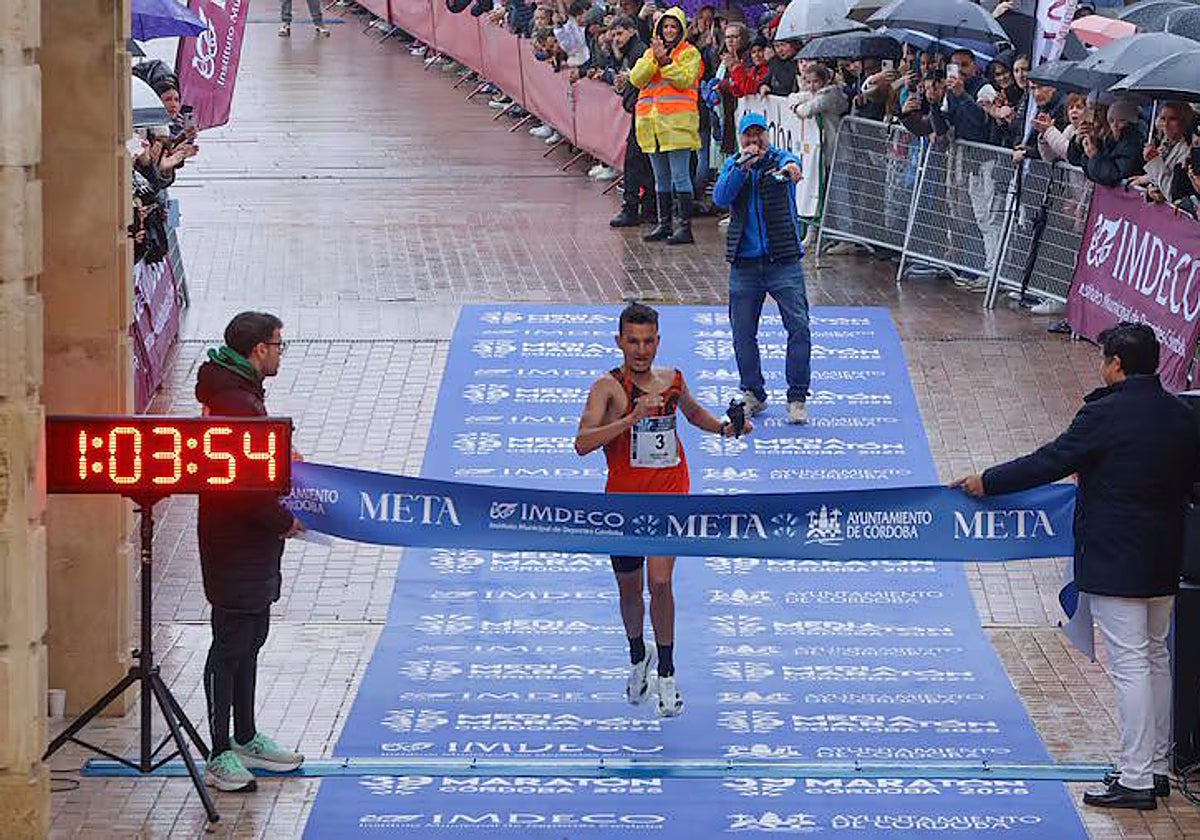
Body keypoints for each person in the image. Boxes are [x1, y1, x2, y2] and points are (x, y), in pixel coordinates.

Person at [953, 323, 1199, 812]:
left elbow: (1050, 460)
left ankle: (1134, 778)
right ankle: (1153, 766)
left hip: (1115, 557)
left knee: (1131, 664)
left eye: (1104, 358)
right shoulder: (1182, 413)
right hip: (1164, 555)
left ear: (1116, 364)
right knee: (1154, 657)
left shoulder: (1103, 414)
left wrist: (988, 481)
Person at [574, 303, 753, 718]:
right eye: (633, 341)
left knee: (660, 582)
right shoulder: (606, 388)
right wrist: (631, 419)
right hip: (623, 502)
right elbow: (582, 443)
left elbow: (693, 413)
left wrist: (726, 428)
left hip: (669, 496)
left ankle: (668, 673)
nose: (641, 350)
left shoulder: (672, 379)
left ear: (658, 341)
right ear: (619, 342)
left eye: (648, 341)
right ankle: (639, 655)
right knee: (629, 590)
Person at [195, 312, 306, 792]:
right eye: (279, 345)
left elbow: (255, 464)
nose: (281, 354)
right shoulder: (236, 403)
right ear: (259, 349)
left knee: (252, 638)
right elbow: (241, 484)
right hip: (232, 544)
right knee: (230, 645)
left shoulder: (243, 395)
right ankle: (219, 752)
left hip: (251, 546)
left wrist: (284, 458)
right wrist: (284, 521)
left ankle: (245, 737)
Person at [712, 112, 812, 425]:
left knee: (799, 327)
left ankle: (797, 397)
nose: (754, 141)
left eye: (759, 134)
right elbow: (721, 197)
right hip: (744, 263)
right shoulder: (734, 165)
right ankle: (753, 392)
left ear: (767, 136)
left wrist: (791, 169)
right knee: (742, 332)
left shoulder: (779, 159)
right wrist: (742, 168)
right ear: (740, 138)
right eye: (748, 135)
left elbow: (791, 164)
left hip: (783, 261)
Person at [629, 6, 703, 245]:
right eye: (665, 27)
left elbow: (684, 80)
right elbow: (636, 78)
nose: (669, 31)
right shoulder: (649, 53)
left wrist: (666, 62)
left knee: (680, 177)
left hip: (677, 126)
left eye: (673, 27)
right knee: (660, 178)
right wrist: (655, 59)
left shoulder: (690, 53)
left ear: (681, 30)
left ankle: (684, 227)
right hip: (652, 126)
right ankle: (664, 224)